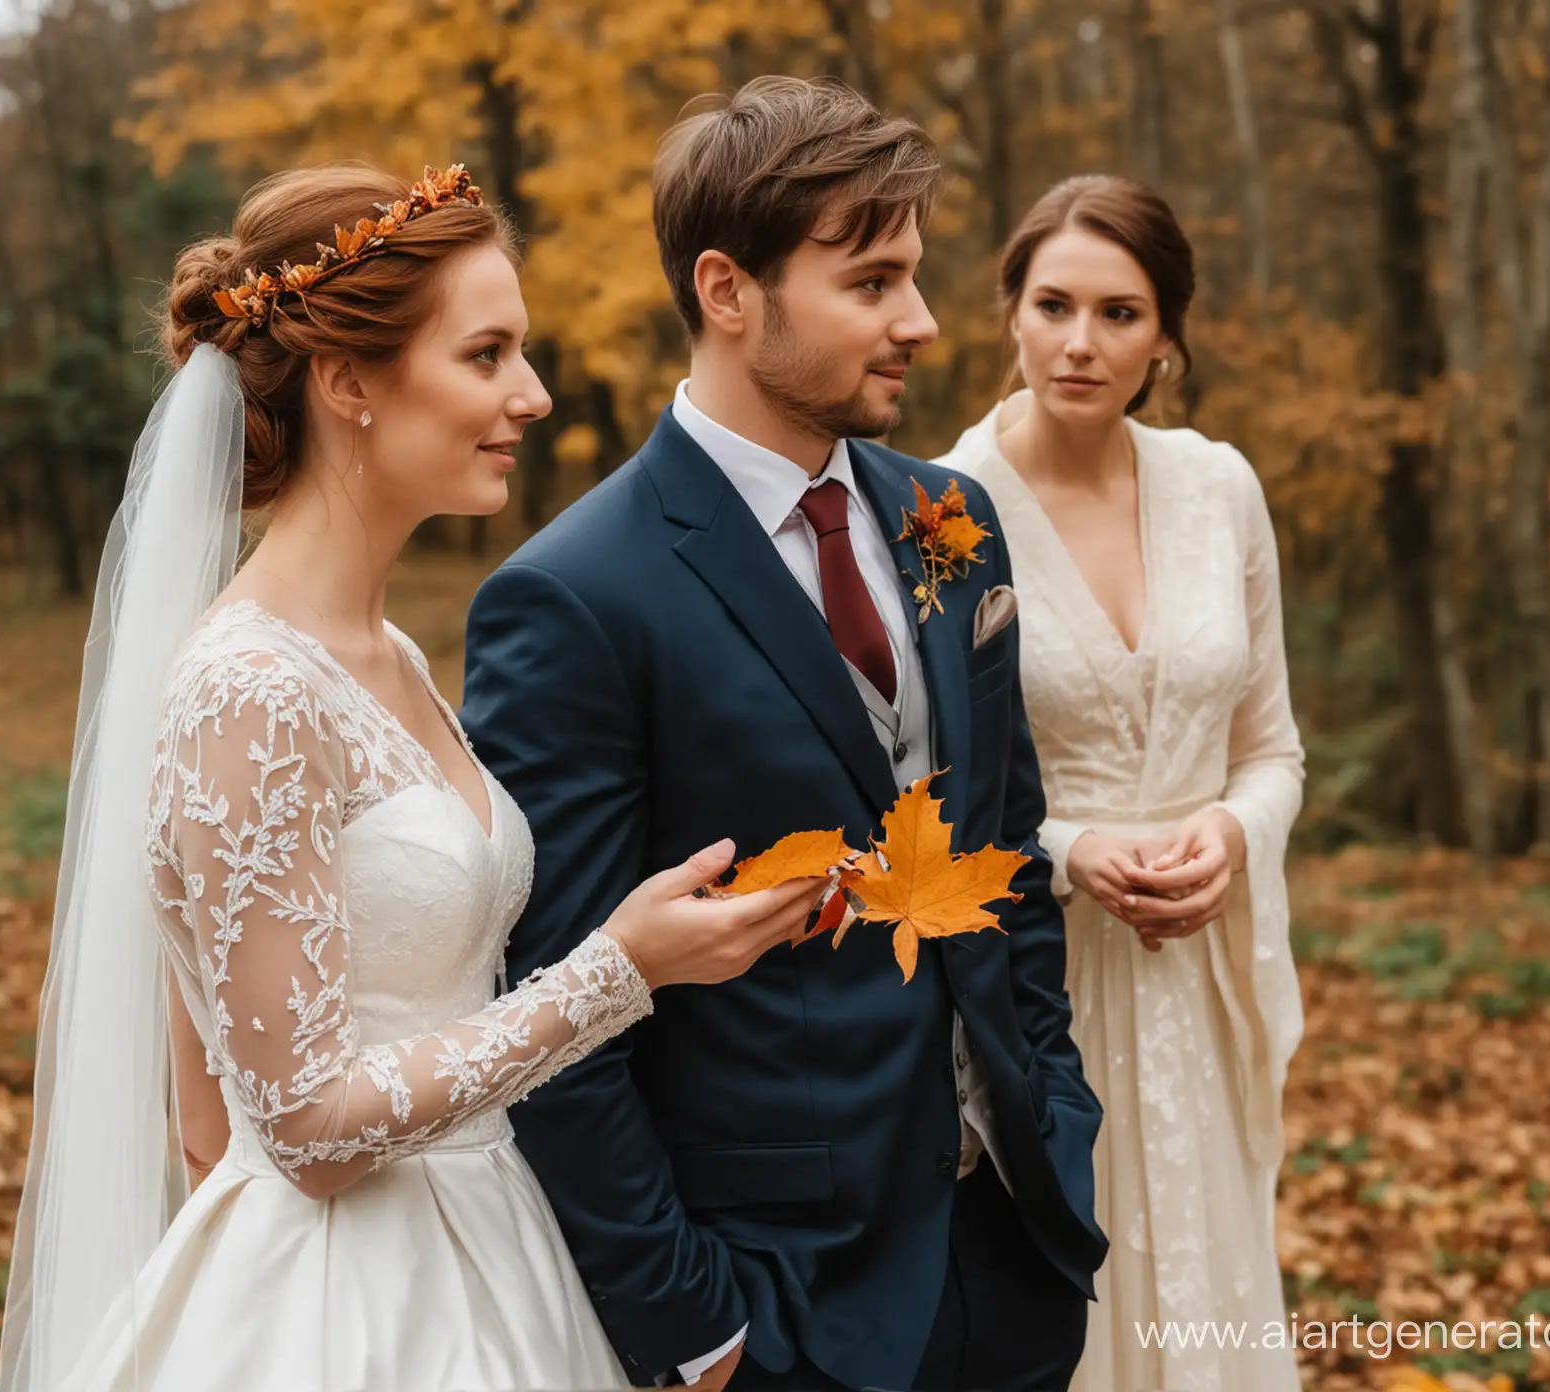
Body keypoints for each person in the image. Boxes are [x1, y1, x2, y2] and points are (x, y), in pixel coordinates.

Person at [0, 162, 828, 1392]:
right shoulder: (249, 692)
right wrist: (619, 970)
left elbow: (204, 1109)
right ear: (348, 383)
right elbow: (298, 1133)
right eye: (486, 355)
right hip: (343, 1313)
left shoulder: (386, 656)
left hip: (497, 1250)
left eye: (523, 354)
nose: (533, 396)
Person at [461, 77, 1108, 1392]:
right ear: (727, 290)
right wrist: (693, 1327)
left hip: (1012, 1258)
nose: (920, 323)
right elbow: (555, 1008)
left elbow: (1010, 850)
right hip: (781, 1302)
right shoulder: (575, 596)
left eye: (915, 277)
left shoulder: (953, 521)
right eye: (872, 282)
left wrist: (1058, 1119)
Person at [935, 172, 1306, 1392]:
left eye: (1120, 313)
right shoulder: (940, 508)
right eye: (1054, 305)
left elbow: (1273, 748)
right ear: (1010, 313)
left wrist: (1234, 836)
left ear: (1168, 337)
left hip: (1201, 971)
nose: (1081, 344)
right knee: (1066, 1304)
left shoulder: (1220, 488)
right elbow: (922, 785)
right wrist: (1067, 848)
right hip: (1040, 976)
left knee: (1209, 1274)